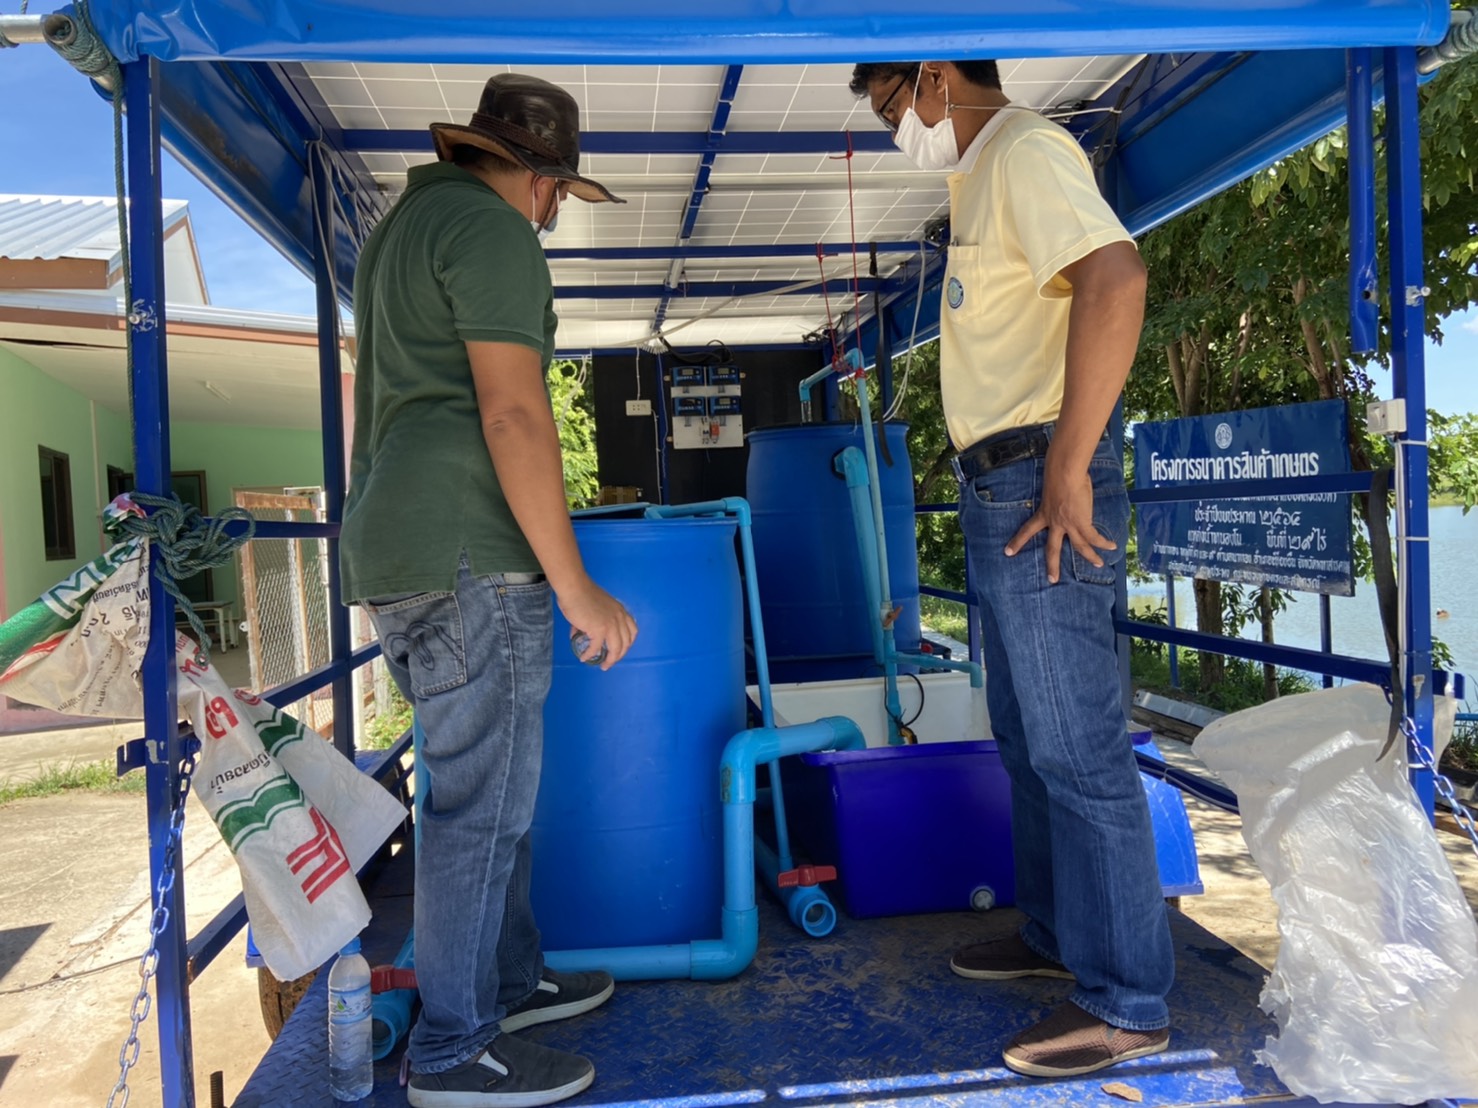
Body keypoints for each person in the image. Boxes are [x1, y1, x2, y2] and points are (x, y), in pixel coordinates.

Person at [849, 60, 1175, 1078]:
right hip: (1002, 480)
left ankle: (1127, 1001)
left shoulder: (1026, 150)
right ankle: (1057, 935)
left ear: (936, 77)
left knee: (1077, 745)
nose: (895, 129)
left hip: (1040, 474)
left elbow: (1116, 278)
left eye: (892, 107)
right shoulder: (979, 175)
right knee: (1027, 736)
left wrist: (1069, 466)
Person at [341, 74, 639, 1108]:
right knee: (481, 808)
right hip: (470, 549)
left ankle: (510, 981)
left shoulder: (397, 232)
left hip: (398, 547)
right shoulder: (492, 230)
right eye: (555, 193)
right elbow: (512, 414)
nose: (551, 214)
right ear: (534, 175)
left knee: (482, 792)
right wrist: (575, 584)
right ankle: (455, 1049)